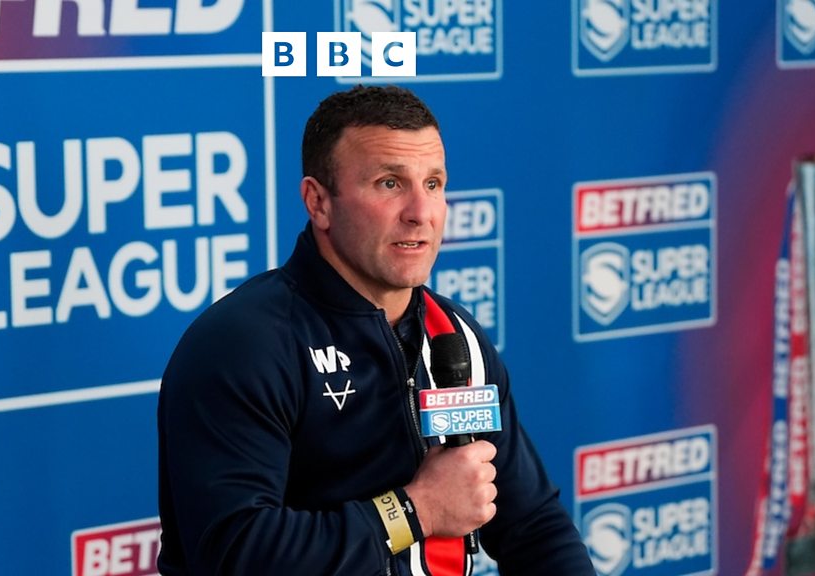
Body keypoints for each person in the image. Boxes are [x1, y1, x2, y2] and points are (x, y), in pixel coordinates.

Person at [156, 85, 596, 575]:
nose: (420, 213)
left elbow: (533, 525)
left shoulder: (455, 337)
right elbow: (236, 553)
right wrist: (417, 509)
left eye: (433, 184)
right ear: (318, 202)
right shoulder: (245, 344)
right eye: (390, 183)